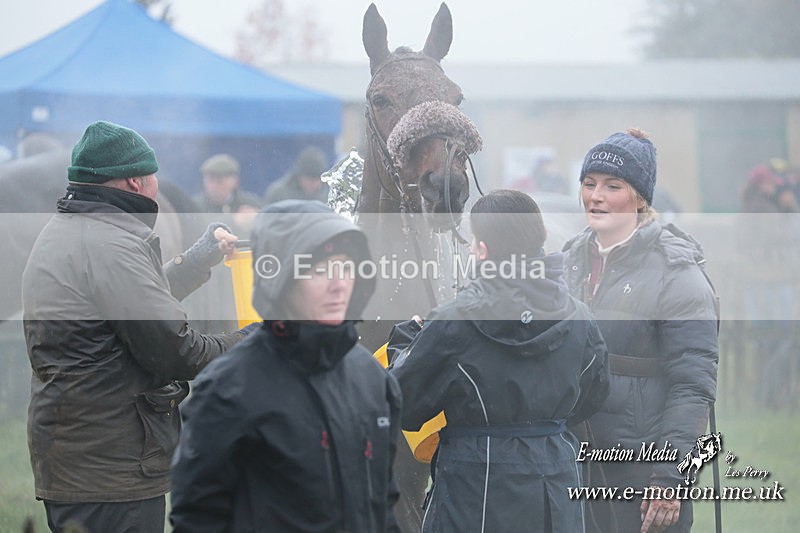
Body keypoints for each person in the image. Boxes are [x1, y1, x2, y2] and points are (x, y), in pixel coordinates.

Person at [22, 121, 254, 533]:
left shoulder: (71, 231)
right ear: (137, 181)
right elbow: (176, 350)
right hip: (111, 469)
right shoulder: (111, 244)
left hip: (80, 460)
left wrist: (196, 260)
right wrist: (253, 340)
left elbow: (126, 309)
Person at [170, 200, 402, 532]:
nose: (338, 283)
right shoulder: (229, 389)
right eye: (320, 270)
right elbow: (197, 518)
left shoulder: (373, 380)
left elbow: (383, 505)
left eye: (346, 267)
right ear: (282, 278)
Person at [387, 189, 609, 531]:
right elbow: (594, 392)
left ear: (483, 250)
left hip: (474, 487)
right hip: (555, 481)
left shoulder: (454, 321)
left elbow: (406, 402)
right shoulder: (580, 316)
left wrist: (404, 342)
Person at [562, 129, 719, 533]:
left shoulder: (677, 274)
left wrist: (670, 478)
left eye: (612, 186)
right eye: (589, 183)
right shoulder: (567, 262)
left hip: (643, 471)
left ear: (640, 198)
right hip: (573, 462)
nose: (596, 196)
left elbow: (693, 386)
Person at [194, 153, 261, 233]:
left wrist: (257, 219)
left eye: (220, 181)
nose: (214, 186)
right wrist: (233, 220)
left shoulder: (250, 203)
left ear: (235, 182)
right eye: (210, 180)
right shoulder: (195, 206)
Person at [263, 145, 330, 205]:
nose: (314, 184)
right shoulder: (278, 195)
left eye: (318, 179)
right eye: (310, 179)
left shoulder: (330, 194)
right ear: (299, 176)